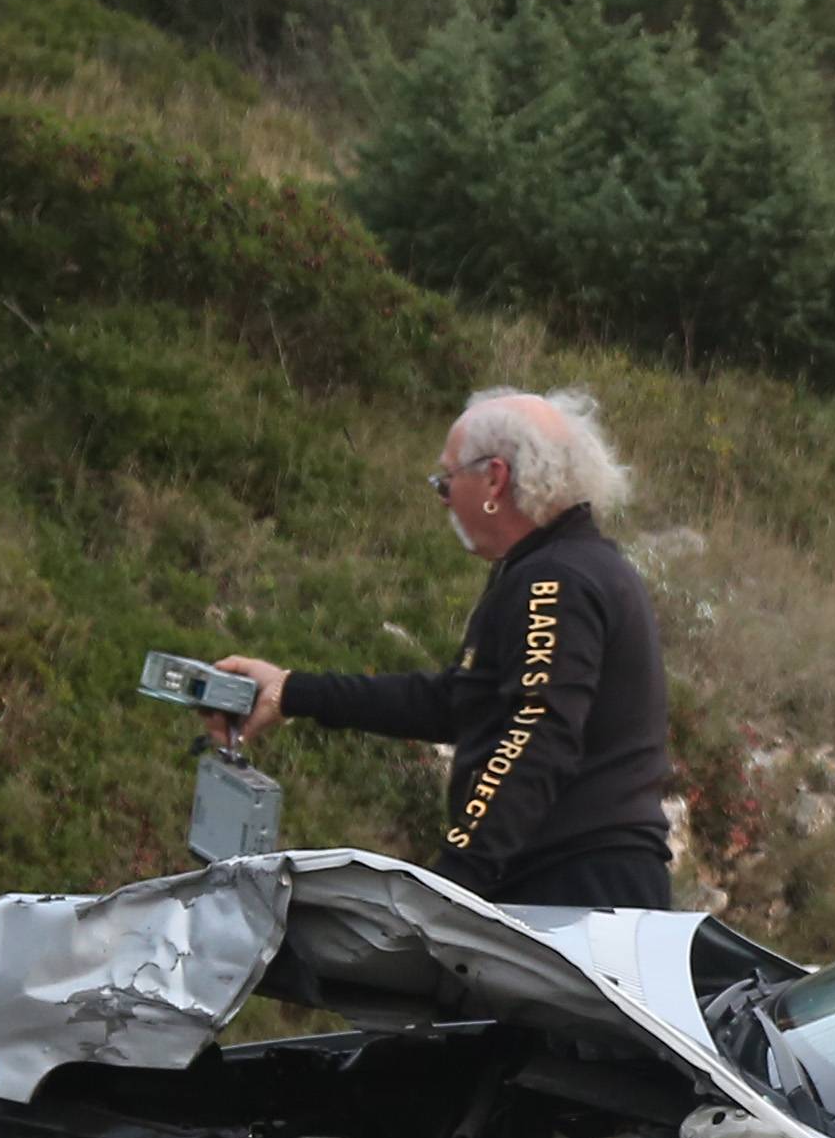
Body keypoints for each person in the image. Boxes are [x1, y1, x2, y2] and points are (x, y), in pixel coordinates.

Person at [210, 388, 674, 909]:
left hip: (574, 889)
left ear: (494, 478)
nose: (444, 497)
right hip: (577, 878)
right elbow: (457, 702)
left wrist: (456, 877)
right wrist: (291, 691)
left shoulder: (555, 579)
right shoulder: (560, 567)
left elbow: (537, 729)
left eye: (445, 481)